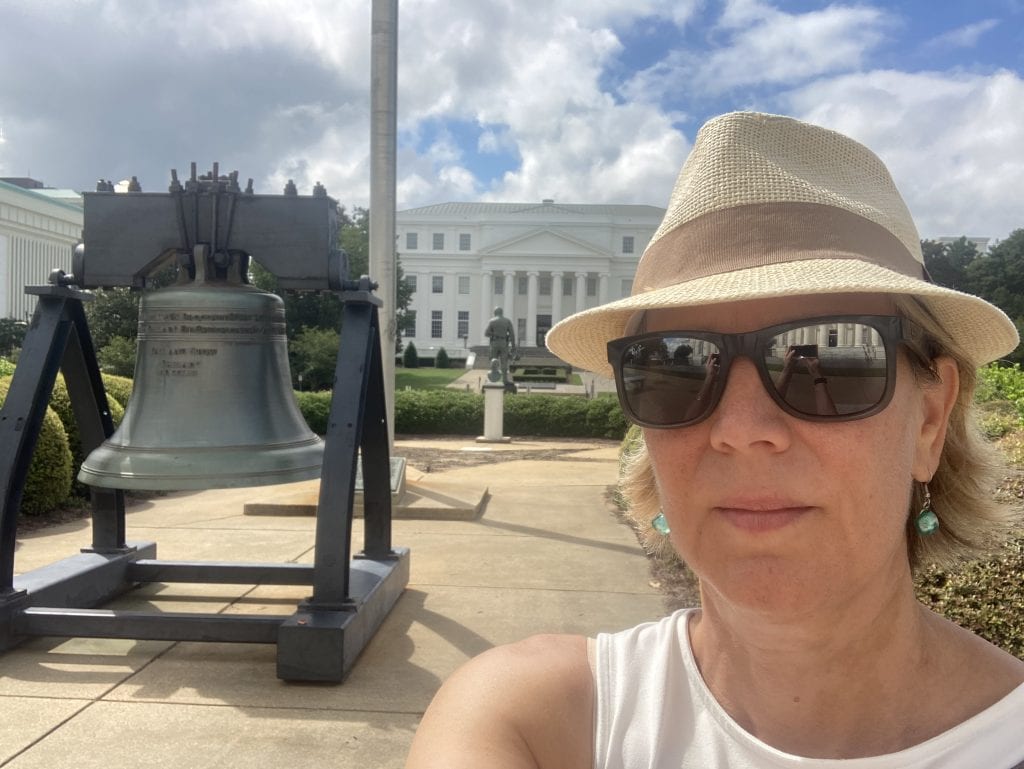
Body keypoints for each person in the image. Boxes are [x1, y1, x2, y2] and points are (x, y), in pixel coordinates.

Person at [405, 112, 1024, 767]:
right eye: (675, 364)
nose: (740, 430)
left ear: (929, 418)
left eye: (824, 360)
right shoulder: (530, 720)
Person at [484, 307, 517, 382]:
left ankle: (492, 379)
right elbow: (512, 334)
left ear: (495, 313)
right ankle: (505, 380)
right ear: (502, 313)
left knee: (493, 360)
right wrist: (513, 346)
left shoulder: (492, 321)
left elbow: (486, 333)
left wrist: (494, 334)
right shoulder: (507, 321)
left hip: (494, 343)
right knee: (504, 362)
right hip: (504, 343)